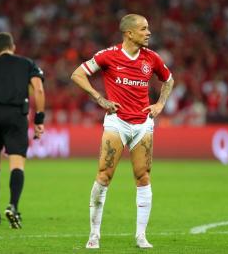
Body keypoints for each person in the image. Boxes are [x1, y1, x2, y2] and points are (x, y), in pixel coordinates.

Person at [71, 14, 174, 249]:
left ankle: (141, 236)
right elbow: (77, 74)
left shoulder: (152, 58)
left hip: (143, 124)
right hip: (117, 122)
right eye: (143, 29)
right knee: (104, 175)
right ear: (129, 33)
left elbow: (169, 80)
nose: (148, 33)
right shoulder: (109, 55)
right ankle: (94, 234)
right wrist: (99, 98)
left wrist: (159, 104)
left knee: (143, 176)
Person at [0, 32, 45, 228]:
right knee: (17, 162)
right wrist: (39, 118)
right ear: (13, 47)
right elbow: (38, 89)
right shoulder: (27, 63)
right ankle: (13, 205)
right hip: (15, 115)